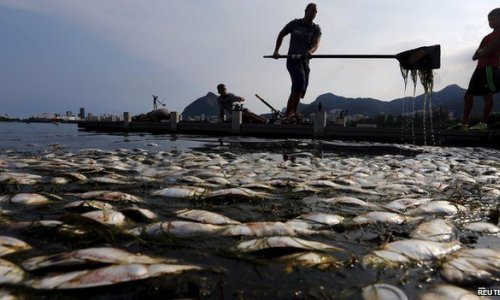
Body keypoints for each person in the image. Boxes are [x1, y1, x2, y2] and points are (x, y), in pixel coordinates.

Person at [272, 3, 321, 122]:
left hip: (304, 61)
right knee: (299, 81)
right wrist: (276, 51)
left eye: (315, 12)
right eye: (311, 10)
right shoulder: (295, 24)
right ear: (305, 10)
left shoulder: (316, 28)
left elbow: (316, 43)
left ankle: (287, 114)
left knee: (299, 88)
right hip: (293, 59)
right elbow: (282, 34)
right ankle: (293, 112)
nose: (313, 13)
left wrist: (310, 51)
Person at [461, 8, 500, 130]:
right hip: (479, 69)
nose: (490, 22)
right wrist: (483, 51)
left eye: (493, 19)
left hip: (490, 68)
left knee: (487, 96)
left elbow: (490, 49)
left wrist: (483, 51)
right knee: (468, 96)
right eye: (489, 20)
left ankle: (483, 124)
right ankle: (464, 125)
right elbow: (475, 56)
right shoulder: (486, 37)